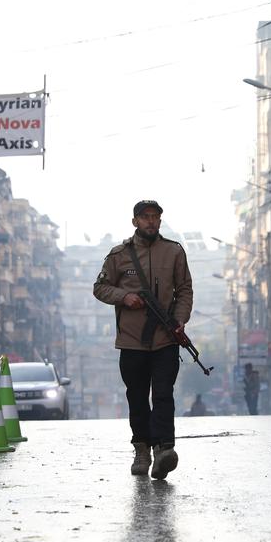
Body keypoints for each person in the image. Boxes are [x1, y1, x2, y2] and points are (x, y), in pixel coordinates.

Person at [93, 200, 193, 479]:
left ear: (160, 220)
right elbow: (100, 287)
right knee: (137, 397)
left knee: (163, 394)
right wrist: (124, 296)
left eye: (155, 217)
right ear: (135, 221)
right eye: (145, 217)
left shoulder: (174, 251)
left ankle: (164, 450)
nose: (151, 221)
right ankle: (141, 449)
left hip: (165, 339)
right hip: (131, 341)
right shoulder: (119, 255)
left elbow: (184, 290)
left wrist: (180, 319)